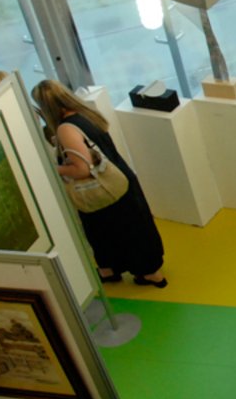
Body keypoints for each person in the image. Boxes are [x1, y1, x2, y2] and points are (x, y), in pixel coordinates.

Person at [32, 80, 167, 288]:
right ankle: (148, 272)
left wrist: (52, 169)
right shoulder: (86, 114)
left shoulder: (66, 129)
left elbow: (82, 169)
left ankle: (112, 270)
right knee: (135, 228)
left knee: (103, 232)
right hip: (119, 178)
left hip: (99, 190)